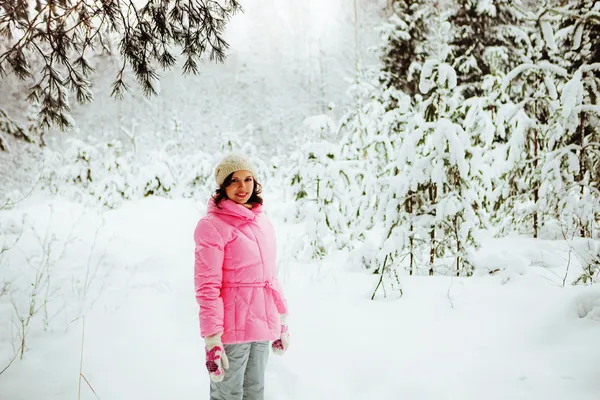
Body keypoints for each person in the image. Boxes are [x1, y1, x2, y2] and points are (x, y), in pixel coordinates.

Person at [193, 154, 290, 400]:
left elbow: (270, 277)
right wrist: (212, 339)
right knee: (228, 394)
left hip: (262, 324)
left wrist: (281, 320)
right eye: (234, 180)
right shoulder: (212, 226)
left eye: (248, 179)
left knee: (255, 391)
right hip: (232, 328)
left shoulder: (262, 222)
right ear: (223, 186)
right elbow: (207, 287)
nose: (242, 187)